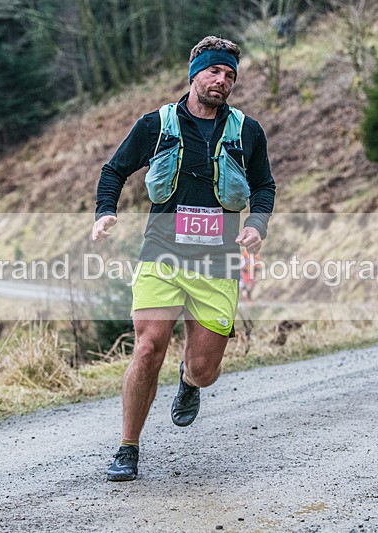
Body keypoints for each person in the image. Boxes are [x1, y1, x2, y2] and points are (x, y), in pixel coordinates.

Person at [92, 36, 276, 482]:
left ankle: (189, 383)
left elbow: (265, 187)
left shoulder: (247, 131)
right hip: (162, 254)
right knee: (148, 345)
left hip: (216, 263)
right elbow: (114, 170)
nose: (222, 81)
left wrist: (257, 224)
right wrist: (105, 211)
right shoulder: (156, 124)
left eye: (230, 75)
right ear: (195, 74)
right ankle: (128, 447)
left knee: (205, 369)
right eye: (215, 71)